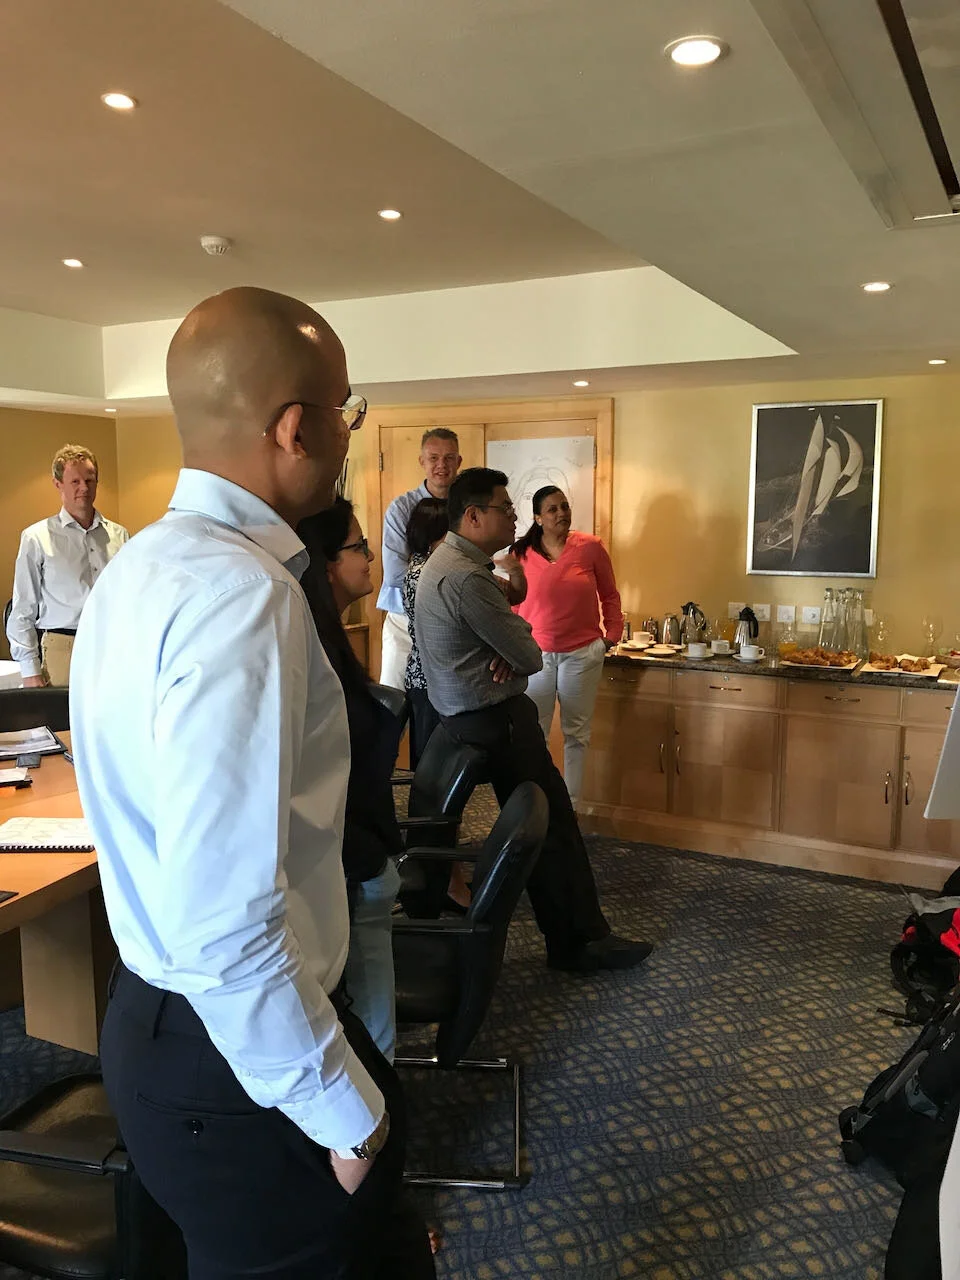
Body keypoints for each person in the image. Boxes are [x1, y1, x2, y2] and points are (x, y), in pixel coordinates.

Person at [70, 287, 434, 1280]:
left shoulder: (138, 567)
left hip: (168, 1022)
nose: (348, 436)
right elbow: (225, 921)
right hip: (242, 1054)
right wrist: (351, 1116)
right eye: (347, 413)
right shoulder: (241, 595)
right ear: (296, 428)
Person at [414, 466, 653, 974]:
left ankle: (574, 936)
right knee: (553, 829)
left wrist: (506, 638)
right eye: (505, 508)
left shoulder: (455, 564)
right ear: (474, 516)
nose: (514, 516)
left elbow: (515, 628)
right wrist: (508, 644)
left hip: (469, 716)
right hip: (494, 720)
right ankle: (579, 942)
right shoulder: (464, 577)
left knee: (546, 825)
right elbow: (527, 652)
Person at [299, 498, 403, 1062]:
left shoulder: (331, 638)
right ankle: (378, 1130)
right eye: (359, 547)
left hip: (362, 857)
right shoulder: (314, 647)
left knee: (370, 1024)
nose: (370, 557)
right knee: (370, 1027)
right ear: (326, 563)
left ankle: (382, 1121)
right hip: (354, 862)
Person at [512, 486, 623, 806]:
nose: (561, 513)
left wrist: (610, 638)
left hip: (582, 655)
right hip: (536, 657)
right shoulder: (522, 554)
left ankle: (571, 808)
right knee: (536, 736)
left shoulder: (590, 548)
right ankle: (538, 807)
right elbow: (513, 609)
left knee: (577, 735)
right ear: (537, 518)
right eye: (552, 509)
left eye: (564, 506)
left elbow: (610, 595)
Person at [6, 444, 128, 687]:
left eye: (89, 480)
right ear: (58, 483)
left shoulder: (119, 536)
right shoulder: (36, 538)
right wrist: (30, 670)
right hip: (63, 650)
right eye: (75, 481)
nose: (84, 487)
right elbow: (22, 609)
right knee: (63, 724)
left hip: (112, 646)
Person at [377, 428, 461, 689]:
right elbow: (394, 573)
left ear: (458, 462)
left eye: (449, 458)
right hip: (404, 616)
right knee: (394, 699)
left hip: (452, 619)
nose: (441, 465)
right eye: (433, 458)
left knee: (445, 700)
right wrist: (453, 579)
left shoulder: (467, 508)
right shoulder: (401, 508)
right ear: (421, 461)